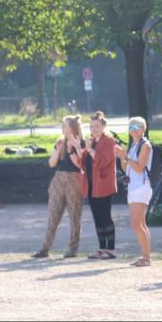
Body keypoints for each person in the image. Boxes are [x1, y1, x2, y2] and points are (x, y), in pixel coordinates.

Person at [33, 115, 85, 258]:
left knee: (75, 216)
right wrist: (58, 149)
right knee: (53, 215)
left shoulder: (81, 142)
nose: (63, 127)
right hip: (58, 179)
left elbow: (81, 164)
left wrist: (75, 147)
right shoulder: (60, 141)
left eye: (65, 125)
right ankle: (45, 248)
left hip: (74, 179)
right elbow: (51, 163)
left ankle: (73, 249)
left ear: (73, 127)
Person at [115, 117, 153, 267]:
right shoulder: (134, 145)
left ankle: (146, 257)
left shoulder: (146, 145)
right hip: (133, 187)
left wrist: (125, 156)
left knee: (136, 224)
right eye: (131, 127)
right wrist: (122, 157)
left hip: (141, 187)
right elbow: (127, 168)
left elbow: (139, 167)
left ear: (143, 129)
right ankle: (145, 256)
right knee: (140, 224)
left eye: (137, 126)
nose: (134, 129)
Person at [81, 111, 118, 259]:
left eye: (96, 126)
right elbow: (83, 163)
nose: (93, 129)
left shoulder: (108, 141)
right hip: (91, 186)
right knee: (97, 218)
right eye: (91, 126)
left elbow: (103, 161)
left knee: (105, 217)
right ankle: (102, 248)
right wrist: (80, 148)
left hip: (103, 184)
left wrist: (90, 150)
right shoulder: (91, 141)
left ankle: (111, 249)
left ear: (103, 126)